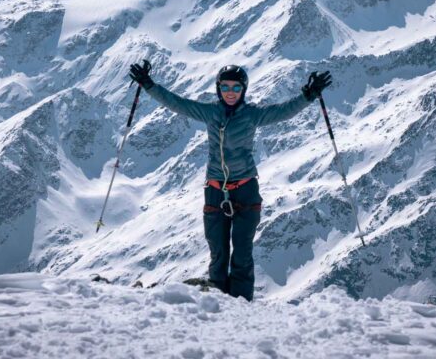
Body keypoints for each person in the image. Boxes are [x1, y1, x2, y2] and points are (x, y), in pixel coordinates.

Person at [129, 61, 332, 301]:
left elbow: (283, 111)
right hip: (215, 192)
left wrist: (307, 96)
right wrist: (149, 85)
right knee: (219, 253)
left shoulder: (252, 115)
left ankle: (241, 306)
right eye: (225, 87)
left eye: (236, 88)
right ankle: (217, 303)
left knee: (242, 253)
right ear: (218, 88)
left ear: (244, 90)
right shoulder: (210, 112)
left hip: (246, 190)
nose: (230, 92)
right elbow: (178, 104)